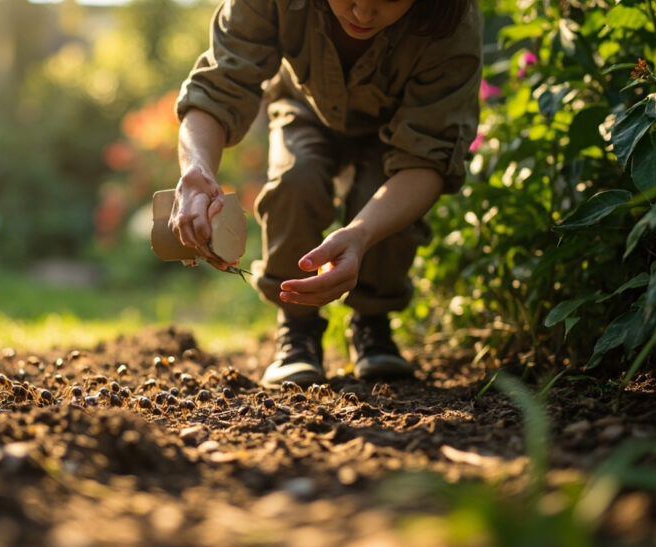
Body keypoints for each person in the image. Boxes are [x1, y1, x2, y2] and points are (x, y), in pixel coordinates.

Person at [168, 0, 482, 387]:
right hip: (303, 108)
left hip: (398, 127)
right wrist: (197, 169)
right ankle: (296, 329)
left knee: (379, 195)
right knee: (294, 181)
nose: (363, 13)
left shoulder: (452, 23)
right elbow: (219, 86)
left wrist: (361, 233)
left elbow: (427, 156)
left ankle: (373, 324)